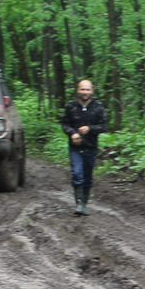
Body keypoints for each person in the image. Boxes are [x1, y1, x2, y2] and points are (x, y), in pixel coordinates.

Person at [60, 79, 109, 216]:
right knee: (77, 173)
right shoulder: (71, 106)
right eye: (82, 89)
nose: (85, 92)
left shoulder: (98, 107)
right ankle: (79, 204)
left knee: (87, 177)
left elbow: (104, 126)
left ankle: (84, 204)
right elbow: (64, 124)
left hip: (91, 147)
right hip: (75, 148)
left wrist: (90, 129)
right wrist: (72, 133)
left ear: (92, 91)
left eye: (87, 89)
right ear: (78, 90)